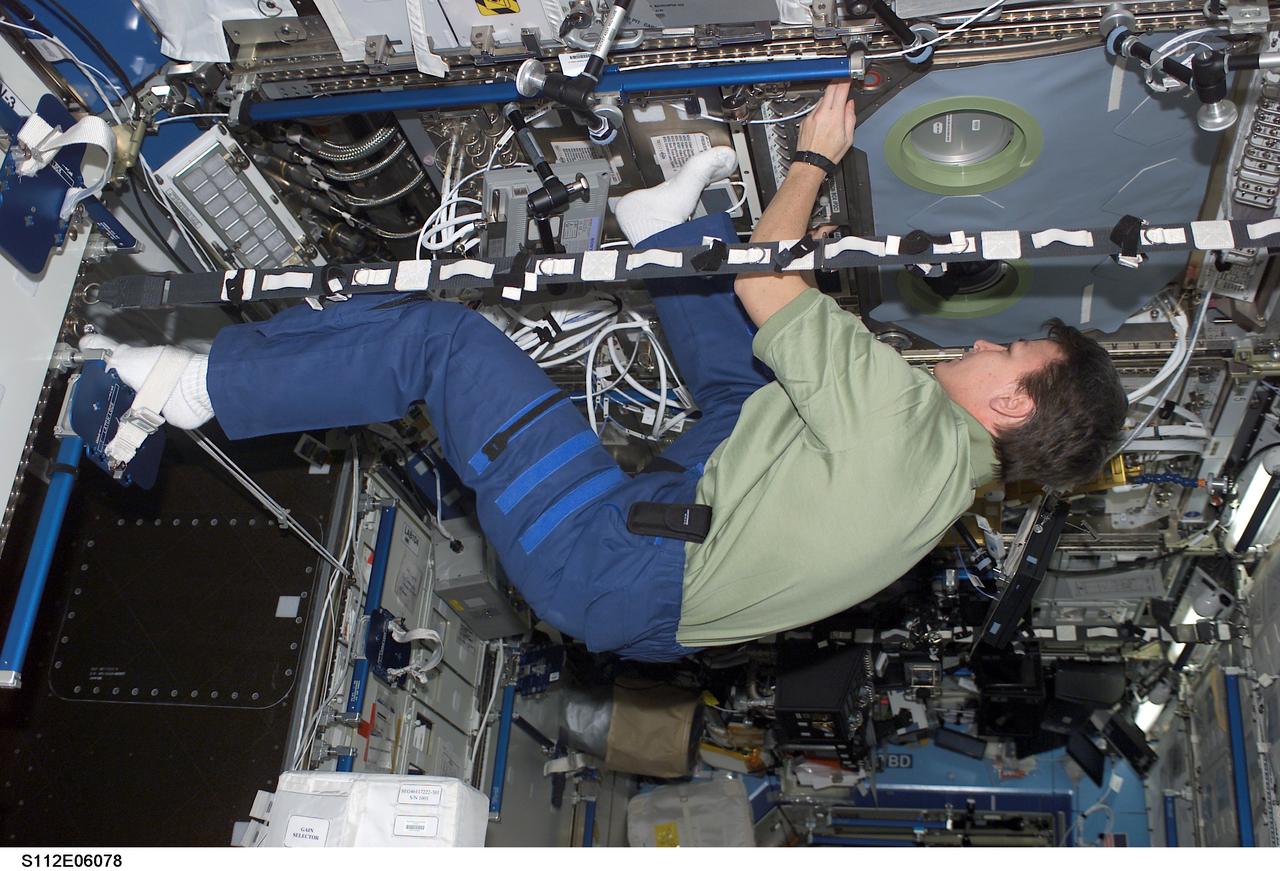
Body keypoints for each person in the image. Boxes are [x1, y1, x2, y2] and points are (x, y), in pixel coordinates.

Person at [80, 81, 1127, 661]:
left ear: (1007, 401)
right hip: (665, 567)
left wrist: (810, 156)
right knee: (745, 397)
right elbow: (772, 393)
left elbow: (769, 288)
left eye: (1007, 351)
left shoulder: (905, 422)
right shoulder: (951, 484)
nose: (984, 342)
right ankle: (668, 229)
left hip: (606, 565)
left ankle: (174, 389)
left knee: (442, 345)